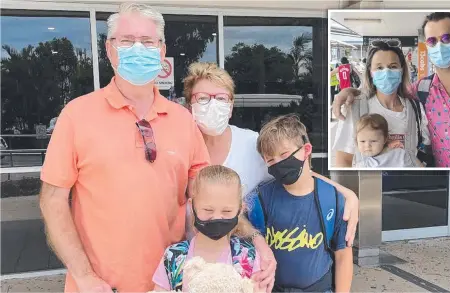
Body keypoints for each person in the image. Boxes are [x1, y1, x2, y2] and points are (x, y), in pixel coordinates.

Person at [39, 3, 210, 292]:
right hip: (101, 286)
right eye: (127, 41)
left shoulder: (183, 120)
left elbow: (203, 202)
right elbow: (52, 201)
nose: (138, 49)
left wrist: (197, 268)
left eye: (147, 41)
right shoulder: (77, 115)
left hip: (169, 285)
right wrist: (84, 276)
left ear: (161, 49)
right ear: (109, 49)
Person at [182, 63, 360, 253]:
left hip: (244, 261)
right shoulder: (176, 149)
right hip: (188, 260)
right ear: (188, 106)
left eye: (221, 98)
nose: (212, 105)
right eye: (202, 98)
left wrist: (346, 193)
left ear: (231, 106)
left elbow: (299, 175)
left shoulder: (251, 144)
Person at [333, 12, 450, 168]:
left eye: (447, 38)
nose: (439, 46)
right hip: (442, 191)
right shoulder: (421, 91)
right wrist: (349, 91)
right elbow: (386, 92)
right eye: (432, 41)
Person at [247, 115, 353, 293]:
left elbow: (343, 254)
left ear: (306, 150)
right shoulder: (260, 199)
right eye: (270, 160)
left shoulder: (332, 198)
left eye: (284, 154)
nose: (278, 163)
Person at [152, 165, 266, 293]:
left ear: (240, 210)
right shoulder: (173, 257)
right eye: (208, 210)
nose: (216, 218)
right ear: (192, 206)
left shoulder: (248, 256)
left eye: (227, 211)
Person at [331, 41, 431, 168]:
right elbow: (343, 161)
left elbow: (424, 148)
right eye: (379, 67)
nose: (387, 72)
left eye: (393, 66)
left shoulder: (415, 108)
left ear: (402, 70)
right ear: (370, 73)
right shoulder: (356, 107)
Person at [355, 114, 423, 168]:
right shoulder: (362, 166)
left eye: (373, 141)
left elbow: (422, 170)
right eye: (362, 141)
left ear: (385, 139)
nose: (367, 145)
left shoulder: (401, 154)